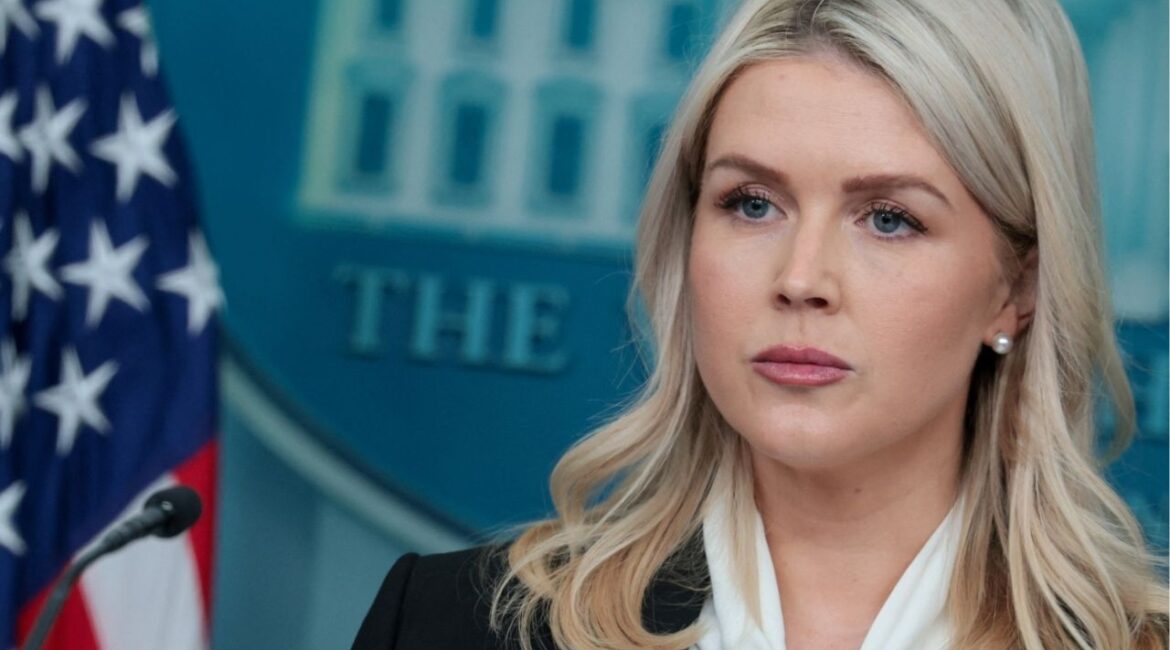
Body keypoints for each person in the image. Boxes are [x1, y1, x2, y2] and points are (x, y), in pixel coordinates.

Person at [352, 0, 1169, 647]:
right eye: (752, 204)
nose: (801, 278)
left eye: (888, 218)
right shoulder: (451, 625)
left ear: (1014, 289)